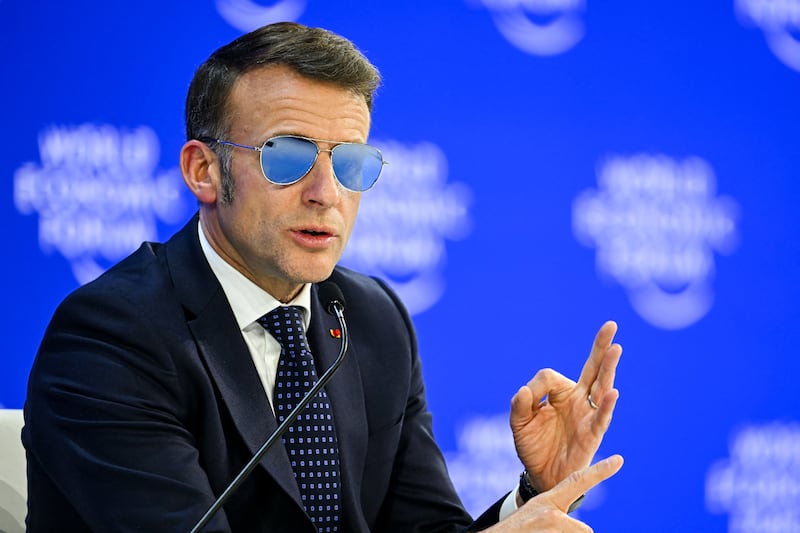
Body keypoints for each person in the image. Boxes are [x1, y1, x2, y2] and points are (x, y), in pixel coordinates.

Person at [23, 21, 623, 532]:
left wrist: (533, 493)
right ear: (204, 170)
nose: (325, 193)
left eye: (349, 161)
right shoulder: (110, 338)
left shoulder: (372, 320)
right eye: (288, 156)